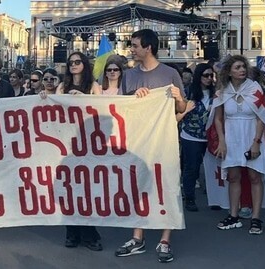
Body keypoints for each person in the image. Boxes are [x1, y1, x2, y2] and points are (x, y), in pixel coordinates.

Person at [116, 29, 185, 263]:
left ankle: (165, 239)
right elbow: (120, 107)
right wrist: (134, 97)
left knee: (167, 186)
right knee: (138, 186)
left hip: (164, 142)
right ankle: (138, 237)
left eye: (135, 45)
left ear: (148, 48)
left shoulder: (170, 73)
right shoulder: (129, 76)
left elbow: (182, 109)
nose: (131, 49)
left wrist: (178, 98)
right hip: (138, 141)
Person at [212, 55, 265, 235]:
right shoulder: (223, 91)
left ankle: (256, 218)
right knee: (234, 176)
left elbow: (262, 117)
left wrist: (256, 142)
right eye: (237, 67)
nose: (242, 70)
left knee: (254, 176)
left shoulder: (255, 88)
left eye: (243, 67)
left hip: (251, 134)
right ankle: (233, 215)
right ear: (229, 71)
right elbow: (218, 118)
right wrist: (222, 140)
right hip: (232, 136)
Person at [55, 51, 102, 251]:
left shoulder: (94, 87)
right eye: (70, 62)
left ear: (84, 64)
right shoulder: (61, 87)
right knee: (68, 190)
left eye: (77, 62)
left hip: (87, 144)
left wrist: (85, 99)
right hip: (66, 143)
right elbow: (54, 111)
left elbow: (102, 111)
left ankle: (89, 234)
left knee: (86, 192)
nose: (73, 65)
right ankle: (72, 233)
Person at [176, 64, 215, 212]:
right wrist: (186, 108)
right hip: (190, 135)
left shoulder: (216, 94)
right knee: (191, 168)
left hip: (210, 136)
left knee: (211, 167)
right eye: (206, 75)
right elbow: (178, 112)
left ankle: (214, 197)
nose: (209, 78)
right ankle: (190, 197)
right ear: (199, 76)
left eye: (211, 75)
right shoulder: (188, 92)